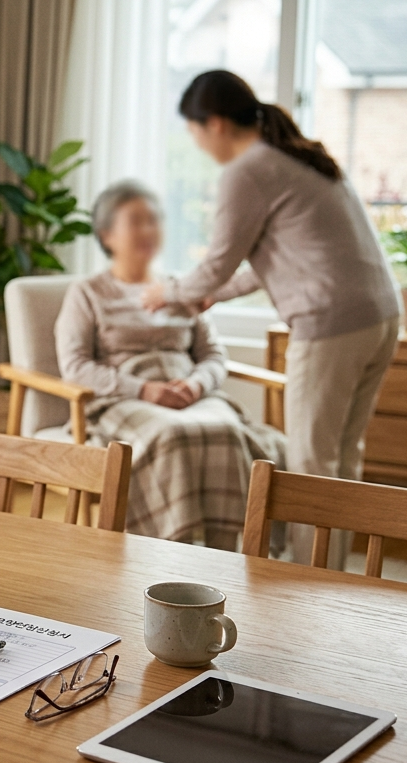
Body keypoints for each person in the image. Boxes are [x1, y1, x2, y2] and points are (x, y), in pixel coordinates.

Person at [142, 70, 399, 565]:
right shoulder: (298, 157)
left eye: (193, 132)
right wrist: (212, 297)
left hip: (331, 326)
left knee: (309, 462)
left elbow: (219, 261)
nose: (196, 144)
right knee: (342, 456)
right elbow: (273, 262)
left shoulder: (248, 169)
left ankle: (308, 582)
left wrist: (169, 293)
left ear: (214, 124)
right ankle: (335, 572)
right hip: (379, 316)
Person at [56, 181, 284, 550]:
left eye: (155, 220)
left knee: (224, 428)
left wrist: (195, 385)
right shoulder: (88, 292)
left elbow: (213, 356)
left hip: (188, 394)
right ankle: (163, 551)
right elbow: (76, 366)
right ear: (107, 234)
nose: (149, 230)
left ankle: (226, 552)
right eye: (137, 221)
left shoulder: (181, 288)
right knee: (172, 435)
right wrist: (144, 389)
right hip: (123, 400)